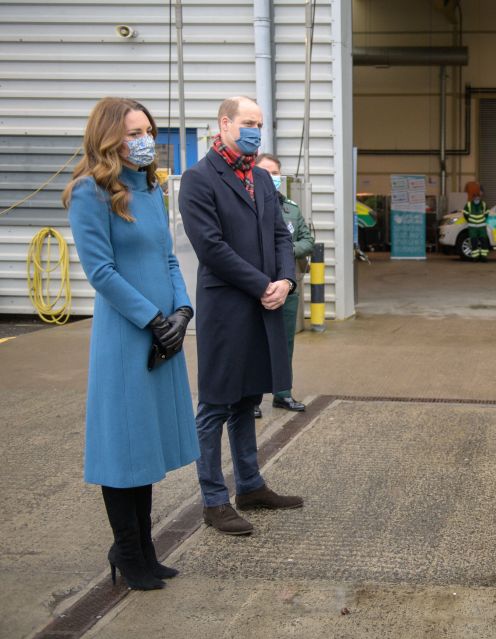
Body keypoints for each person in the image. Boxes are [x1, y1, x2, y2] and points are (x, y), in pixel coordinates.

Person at [64, 97, 200, 590]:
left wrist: (183, 311)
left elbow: (167, 259)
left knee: (145, 444)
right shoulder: (89, 192)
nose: (144, 141)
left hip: (164, 331)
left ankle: (144, 549)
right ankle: (127, 551)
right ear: (108, 139)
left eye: (148, 131)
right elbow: (101, 271)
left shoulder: (150, 189)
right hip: (127, 336)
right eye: (133, 133)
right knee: (123, 448)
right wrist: (151, 318)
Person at [178, 96, 303, 536]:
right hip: (228, 308)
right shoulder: (198, 180)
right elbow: (211, 248)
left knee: (249, 398)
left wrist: (285, 281)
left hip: (264, 303)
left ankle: (250, 484)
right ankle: (214, 500)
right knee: (215, 403)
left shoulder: (263, 180)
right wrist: (262, 285)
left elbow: (281, 237)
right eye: (248, 122)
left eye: (259, 124)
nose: (255, 130)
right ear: (224, 123)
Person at [253, 153, 314, 415]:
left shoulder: (291, 208)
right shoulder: (248, 206)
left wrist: (284, 250)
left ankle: (282, 393)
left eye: (275, 173)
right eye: (265, 172)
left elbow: (307, 241)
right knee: (255, 344)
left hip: (287, 287)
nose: (271, 178)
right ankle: (252, 399)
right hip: (258, 288)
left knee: (285, 342)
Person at [462, 181, 490, 262]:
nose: (477, 199)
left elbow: (487, 212)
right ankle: (475, 257)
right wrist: (469, 220)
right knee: (474, 242)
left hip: (481, 226)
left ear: (480, 198)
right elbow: (465, 213)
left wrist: (483, 219)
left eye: (478, 198)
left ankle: (483, 257)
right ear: (473, 198)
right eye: (475, 198)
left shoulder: (483, 204)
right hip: (473, 227)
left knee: (484, 242)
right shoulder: (468, 205)